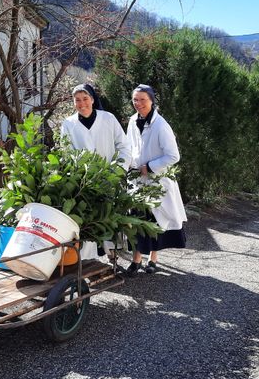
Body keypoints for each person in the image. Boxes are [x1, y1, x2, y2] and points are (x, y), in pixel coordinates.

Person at [60, 83, 131, 260]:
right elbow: (65, 152)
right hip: (83, 181)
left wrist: (118, 170)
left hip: (109, 177)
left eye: (85, 99)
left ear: (92, 99)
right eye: (77, 100)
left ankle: (113, 254)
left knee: (109, 215)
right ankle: (88, 260)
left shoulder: (108, 119)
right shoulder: (69, 124)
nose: (82, 103)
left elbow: (123, 146)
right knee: (88, 219)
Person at [125, 84, 187, 275]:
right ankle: (136, 261)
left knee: (156, 221)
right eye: (135, 99)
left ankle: (153, 259)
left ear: (151, 100)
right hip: (137, 181)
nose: (138, 103)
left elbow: (173, 156)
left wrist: (150, 167)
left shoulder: (161, 125)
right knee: (137, 220)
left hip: (157, 181)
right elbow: (129, 147)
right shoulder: (132, 121)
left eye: (143, 99)